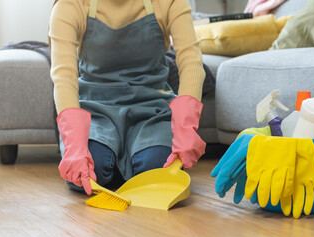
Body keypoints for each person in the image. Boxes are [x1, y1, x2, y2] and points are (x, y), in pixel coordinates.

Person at [49, 0, 206, 195]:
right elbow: (63, 76)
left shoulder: (170, 2)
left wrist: (185, 127)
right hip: (95, 110)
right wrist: (74, 143)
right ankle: (119, 164)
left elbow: (191, 62)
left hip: (152, 109)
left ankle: (124, 164)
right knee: (91, 170)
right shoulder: (71, 4)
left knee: (156, 170)